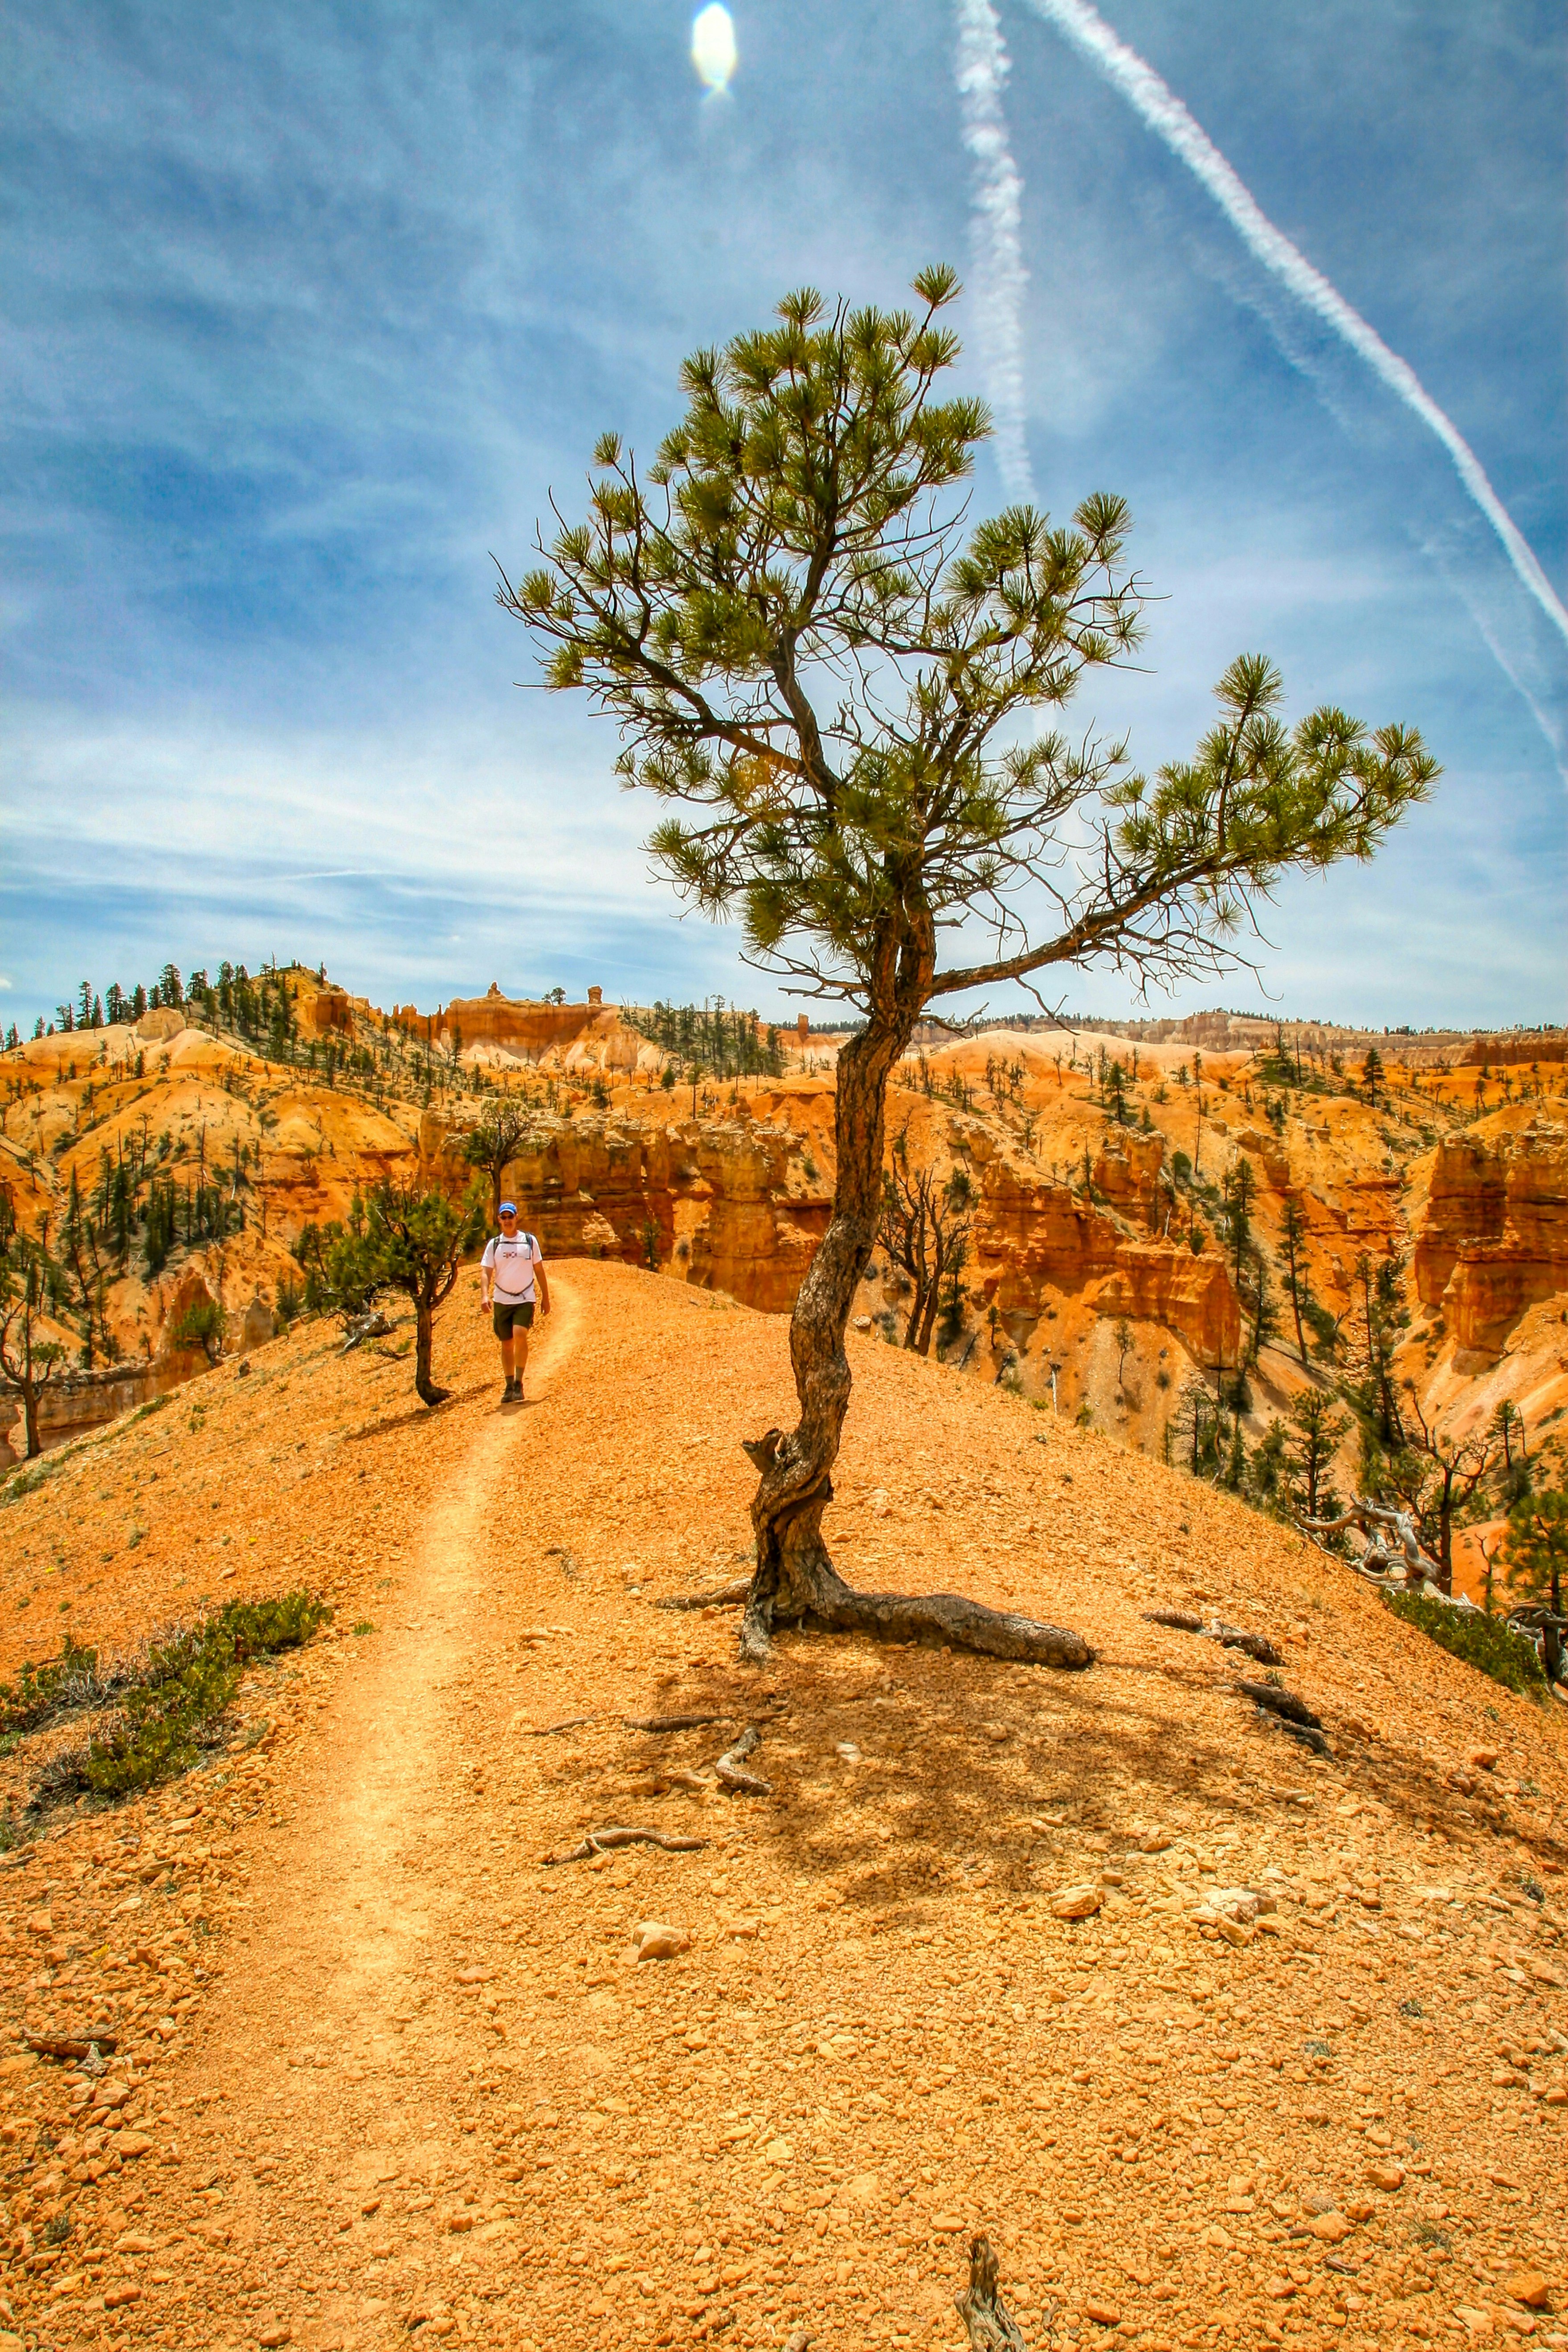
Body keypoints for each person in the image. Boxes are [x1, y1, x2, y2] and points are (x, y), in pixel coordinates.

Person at [479, 1202, 551, 1403]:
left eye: (511, 1217)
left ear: (516, 1218)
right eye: (504, 1218)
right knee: (507, 1343)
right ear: (500, 1220)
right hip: (502, 1300)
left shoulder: (529, 1241)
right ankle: (509, 1385)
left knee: (520, 1333)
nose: (508, 1221)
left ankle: (519, 1383)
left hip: (525, 1298)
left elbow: (539, 1270)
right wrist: (484, 1296)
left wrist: (546, 1297)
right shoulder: (494, 1245)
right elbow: (486, 1272)